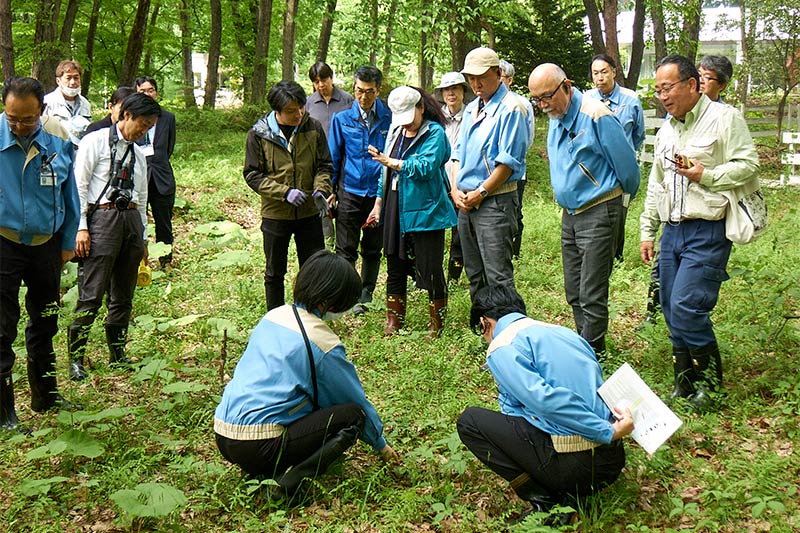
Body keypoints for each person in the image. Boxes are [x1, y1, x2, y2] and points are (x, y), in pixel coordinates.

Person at [214, 250, 398, 500]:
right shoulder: (321, 342)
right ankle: (287, 485)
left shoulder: (274, 316)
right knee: (353, 416)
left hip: (223, 435)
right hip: (258, 445)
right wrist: (381, 445)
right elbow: (354, 400)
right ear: (330, 300)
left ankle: (265, 470)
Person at [640, 54, 759, 412]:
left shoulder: (725, 118)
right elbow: (656, 183)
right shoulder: (667, 130)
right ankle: (685, 383)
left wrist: (706, 175)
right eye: (658, 90)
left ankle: (710, 385)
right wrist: (648, 231)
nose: (662, 96)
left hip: (707, 229)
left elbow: (748, 164)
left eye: (668, 88)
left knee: (687, 305)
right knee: (668, 305)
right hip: (672, 230)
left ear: (692, 84)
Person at [457, 285, 634, 525]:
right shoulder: (565, 332)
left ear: (484, 322)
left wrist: (606, 432)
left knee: (470, 422)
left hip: (578, 467)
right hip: (612, 463)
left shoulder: (502, 347)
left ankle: (547, 503)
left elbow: (546, 401)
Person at [528, 64, 640, 358]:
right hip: (571, 213)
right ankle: (585, 346)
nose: (542, 105)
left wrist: (616, 207)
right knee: (574, 288)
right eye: (536, 100)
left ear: (566, 86)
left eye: (546, 97)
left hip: (599, 209)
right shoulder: (556, 115)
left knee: (591, 291)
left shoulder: (596, 115)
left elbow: (628, 170)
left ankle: (594, 356)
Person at [0, 77, 81, 431]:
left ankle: (45, 395)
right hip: (4, 241)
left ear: (42, 110)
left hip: (46, 244)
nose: (18, 126)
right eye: (12, 118)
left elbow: (69, 193)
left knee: (46, 319)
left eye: (27, 119)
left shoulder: (58, 137)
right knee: (2, 327)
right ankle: (4, 413)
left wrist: (67, 242)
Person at [67, 93, 161, 381]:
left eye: (149, 127)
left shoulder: (139, 153)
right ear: (127, 115)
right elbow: (79, 186)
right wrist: (81, 226)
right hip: (102, 219)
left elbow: (142, 197)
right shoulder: (94, 141)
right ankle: (76, 359)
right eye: (142, 124)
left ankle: (117, 353)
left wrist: (143, 237)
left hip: (130, 220)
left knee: (123, 293)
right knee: (92, 292)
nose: (144, 131)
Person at [365, 86, 457, 337]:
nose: (406, 124)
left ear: (421, 107)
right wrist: (378, 204)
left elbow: (426, 167)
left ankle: (436, 324)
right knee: (394, 263)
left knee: (430, 267)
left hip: (426, 209)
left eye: (410, 117)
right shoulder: (396, 132)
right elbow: (385, 174)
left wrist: (392, 162)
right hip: (396, 206)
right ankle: (394, 321)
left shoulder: (435, 133)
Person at [244, 80, 333, 311]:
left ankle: (310, 315)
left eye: (301, 108)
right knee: (275, 271)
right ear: (277, 110)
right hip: (276, 214)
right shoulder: (259, 133)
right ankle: (275, 317)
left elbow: (325, 165)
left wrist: (321, 190)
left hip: (309, 212)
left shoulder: (313, 127)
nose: (299, 114)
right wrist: (284, 193)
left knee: (313, 269)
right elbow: (252, 174)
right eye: (291, 111)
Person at [450, 48, 531, 300]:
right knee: (474, 272)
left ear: (497, 73)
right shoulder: (472, 108)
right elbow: (457, 154)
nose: (476, 84)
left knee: (498, 275)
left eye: (481, 77)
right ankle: (482, 320)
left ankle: (507, 322)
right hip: (466, 202)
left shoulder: (512, 109)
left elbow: (507, 163)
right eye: (471, 78)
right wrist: (454, 189)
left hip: (495, 202)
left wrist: (481, 192)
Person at [328, 66, 391, 313]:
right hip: (350, 190)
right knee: (345, 248)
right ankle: (348, 295)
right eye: (359, 91)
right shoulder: (342, 119)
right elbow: (334, 157)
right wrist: (331, 189)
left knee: (373, 248)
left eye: (369, 92)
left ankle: (366, 294)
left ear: (378, 90)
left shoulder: (389, 118)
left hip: (378, 193)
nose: (363, 97)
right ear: (353, 88)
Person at [585, 53, 646, 264]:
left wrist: (624, 156)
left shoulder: (631, 100)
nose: (599, 77)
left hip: (622, 171)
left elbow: (638, 135)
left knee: (620, 212)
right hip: (595, 171)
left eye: (604, 72)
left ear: (614, 72)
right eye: (595, 73)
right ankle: (598, 255)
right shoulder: (586, 99)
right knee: (597, 215)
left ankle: (616, 257)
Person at [306, 62, 355, 251]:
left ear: (331, 78)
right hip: (319, 162)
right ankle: (328, 244)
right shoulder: (309, 103)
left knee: (343, 201)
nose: (321, 85)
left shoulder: (347, 100)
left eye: (324, 80)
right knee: (322, 200)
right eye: (316, 81)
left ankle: (344, 241)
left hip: (343, 160)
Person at [435, 72, 473, 284]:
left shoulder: (473, 114)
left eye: (455, 89)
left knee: (460, 232)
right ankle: (432, 274)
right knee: (435, 231)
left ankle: (454, 276)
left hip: (463, 183)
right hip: (437, 183)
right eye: (447, 90)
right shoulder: (434, 117)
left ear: (463, 91)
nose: (451, 93)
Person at [135, 76, 177, 267]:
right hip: (138, 176)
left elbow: (169, 148)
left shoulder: (168, 118)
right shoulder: (131, 117)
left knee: (164, 222)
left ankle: (165, 260)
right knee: (137, 222)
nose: (147, 94)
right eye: (142, 91)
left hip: (161, 176)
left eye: (150, 90)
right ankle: (138, 263)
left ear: (157, 93)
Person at [498, 59, 535, 259]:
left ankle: (514, 254)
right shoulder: (481, 105)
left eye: (500, 76)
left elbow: (527, 140)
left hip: (515, 171)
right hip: (488, 173)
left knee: (515, 211)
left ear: (510, 80)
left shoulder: (522, 104)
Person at [43, 59, 92, 147]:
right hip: (55, 150)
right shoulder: (47, 102)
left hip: (80, 151)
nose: (73, 82)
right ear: (58, 81)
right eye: (68, 78)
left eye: (76, 78)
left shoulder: (85, 104)